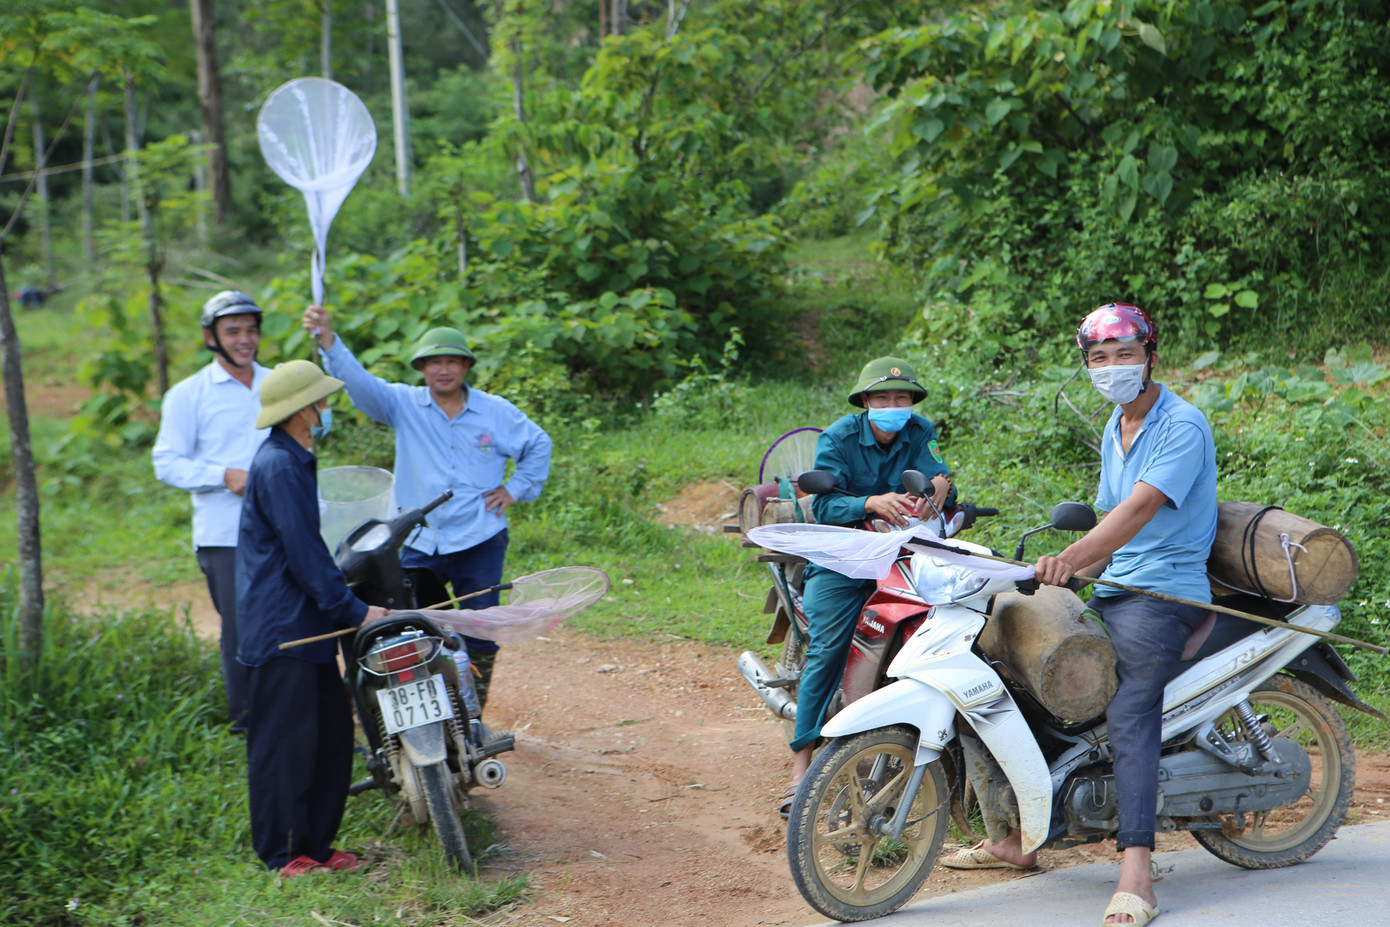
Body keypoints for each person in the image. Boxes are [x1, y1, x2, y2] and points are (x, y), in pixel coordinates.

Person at [940, 304, 1217, 927]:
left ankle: (1137, 874)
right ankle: (1014, 837)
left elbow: (1138, 512)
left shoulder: (1182, 424)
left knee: (1129, 711)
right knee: (1002, 669)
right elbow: (1108, 521)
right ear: (1087, 366)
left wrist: (1071, 559)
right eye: (1100, 358)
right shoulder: (1116, 426)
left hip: (1166, 594)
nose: (1113, 367)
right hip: (1117, 586)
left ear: (1150, 357)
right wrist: (1057, 573)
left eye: (1125, 355)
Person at [303, 305, 552, 710]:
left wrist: (515, 489)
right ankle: (423, 709)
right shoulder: (403, 404)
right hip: (419, 538)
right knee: (409, 626)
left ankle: (471, 711)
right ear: (421, 367)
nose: (444, 370)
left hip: (479, 536)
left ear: (466, 366)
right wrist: (329, 341)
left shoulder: (494, 411)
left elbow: (538, 444)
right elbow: (361, 385)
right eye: (434, 362)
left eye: (452, 361)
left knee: (480, 627)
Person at [781, 356, 955, 817]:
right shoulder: (838, 437)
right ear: (865, 402)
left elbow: (938, 479)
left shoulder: (919, 430)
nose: (893, 406)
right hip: (844, 557)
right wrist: (870, 503)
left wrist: (940, 487)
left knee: (942, 633)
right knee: (827, 649)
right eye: (882, 398)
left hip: (902, 554)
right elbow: (823, 505)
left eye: (901, 398)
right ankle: (801, 766)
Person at [235, 359, 389, 875]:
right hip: (284, 631)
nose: (325, 408)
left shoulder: (296, 457)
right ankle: (284, 854)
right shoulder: (279, 465)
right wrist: (355, 610)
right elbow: (303, 553)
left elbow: (312, 549)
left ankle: (316, 845)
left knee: (330, 735)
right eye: (320, 400)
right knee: (286, 745)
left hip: (308, 626)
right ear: (302, 409)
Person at [152, 290, 270, 733]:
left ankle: (296, 714)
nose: (245, 339)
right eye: (232, 331)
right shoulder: (189, 394)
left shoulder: (277, 384)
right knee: (241, 627)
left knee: (293, 620)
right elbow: (167, 462)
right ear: (210, 338)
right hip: (225, 534)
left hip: (283, 527)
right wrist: (223, 475)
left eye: (251, 330)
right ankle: (248, 722)